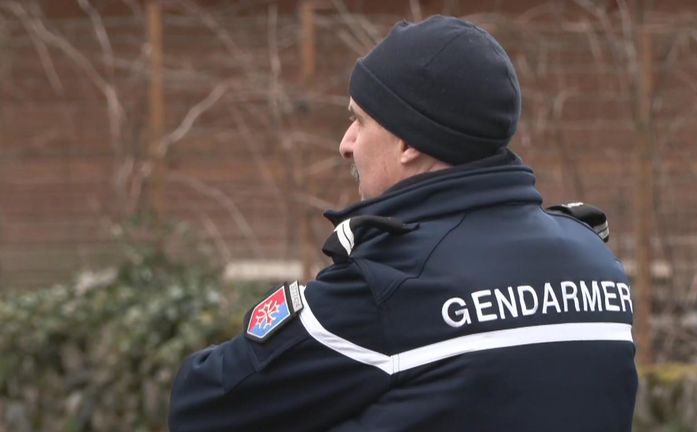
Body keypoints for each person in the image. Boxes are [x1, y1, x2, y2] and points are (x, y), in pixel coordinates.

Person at [169, 15, 637, 431]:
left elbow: (206, 403)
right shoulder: (596, 263)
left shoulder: (391, 283)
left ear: (409, 142)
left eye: (359, 121)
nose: (346, 144)